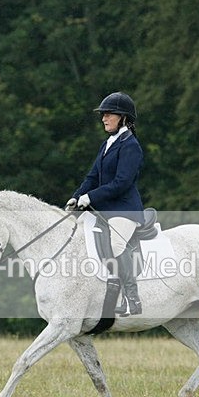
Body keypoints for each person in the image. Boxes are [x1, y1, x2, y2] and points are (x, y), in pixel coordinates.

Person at [65, 92, 145, 316]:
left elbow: (122, 183)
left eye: (109, 114)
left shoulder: (131, 145)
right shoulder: (107, 144)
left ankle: (132, 298)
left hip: (124, 210)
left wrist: (90, 198)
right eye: (103, 115)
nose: (103, 118)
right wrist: (77, 197)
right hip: (105, 209)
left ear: (123, 118)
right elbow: (92, 177)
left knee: (117, 245)